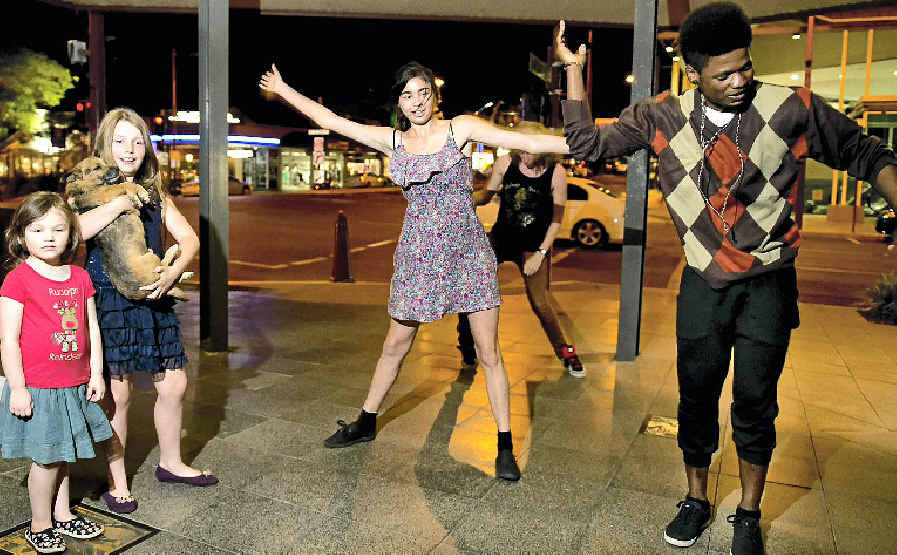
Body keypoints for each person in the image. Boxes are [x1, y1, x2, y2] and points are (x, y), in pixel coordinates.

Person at [555, 4, 897, 554]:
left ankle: (747, 513)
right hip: (702, 285)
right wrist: (572, 68)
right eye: (724, 74)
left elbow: (865, 150)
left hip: (768, 281)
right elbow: (586, 147)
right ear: (693, 73)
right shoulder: (660, 116)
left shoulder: (790, 108)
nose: (740, 81)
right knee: (695, 400)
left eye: (745, 67)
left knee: (756, 402)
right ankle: (694, 500)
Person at [260, 61, 569, 481]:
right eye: (408, 95)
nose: (417, 101)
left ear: (434, 95)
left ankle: (504, 445)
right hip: (420, 256)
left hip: (468, 255)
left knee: (489, 352)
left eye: (423, 92)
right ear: (399, 103)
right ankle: (366, 422)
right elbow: (333, 120)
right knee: (395, 344)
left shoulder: (459, 129)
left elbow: (519, 138)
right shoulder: (393, 142)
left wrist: (602, 142)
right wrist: (283, 89)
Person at [76, 108, 217, 515]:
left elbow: (189, 239)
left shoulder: (155, 191)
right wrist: (119, 203)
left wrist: (173, 272)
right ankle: (117, 481)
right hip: (109, 299)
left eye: (137, 140)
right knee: (118, 394)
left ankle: (171, 463)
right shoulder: (89, 188)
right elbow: (77, 231)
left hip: (154, 297)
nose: (129, 149)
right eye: (120, 140)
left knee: (173, 384)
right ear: (105, 145)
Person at [0, 191, 111, 553]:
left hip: (73, 383)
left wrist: (96, 374)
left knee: (64, 454)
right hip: (39, 386)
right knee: (46, 459)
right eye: (37, 228)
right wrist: (18, 388)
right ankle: (40, 522)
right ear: (20, 235)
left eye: (58, 229)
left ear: (70, 235)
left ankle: (62, 514)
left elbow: (92, 329)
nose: (48, 236)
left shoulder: (78, 277)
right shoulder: (19, 280)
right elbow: (8, 341)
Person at [457, 121, 584, 379]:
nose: (524, 155)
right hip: (501, 239)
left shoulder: (556, 172)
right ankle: (467, 348)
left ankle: (566, 353)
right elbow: (486, 195)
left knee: (540, 303)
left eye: (528, 150)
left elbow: (556, 220)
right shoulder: (505, 164)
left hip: (533, 246)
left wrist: (540, 254)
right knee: (470, 287)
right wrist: (464, 198)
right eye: (520, 149)